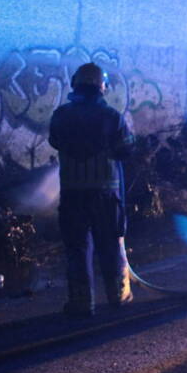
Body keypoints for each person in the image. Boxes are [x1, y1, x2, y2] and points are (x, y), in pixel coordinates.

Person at [49, 62, 135, 317]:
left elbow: (55, 141)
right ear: (102, 87)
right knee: (110, 244)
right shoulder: (112, 117)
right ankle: (119, 295)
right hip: (105, 193)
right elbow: (127, 149)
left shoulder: (61, 115)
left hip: (73, 193)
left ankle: (81, 302)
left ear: (75, 84)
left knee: (77, 247)